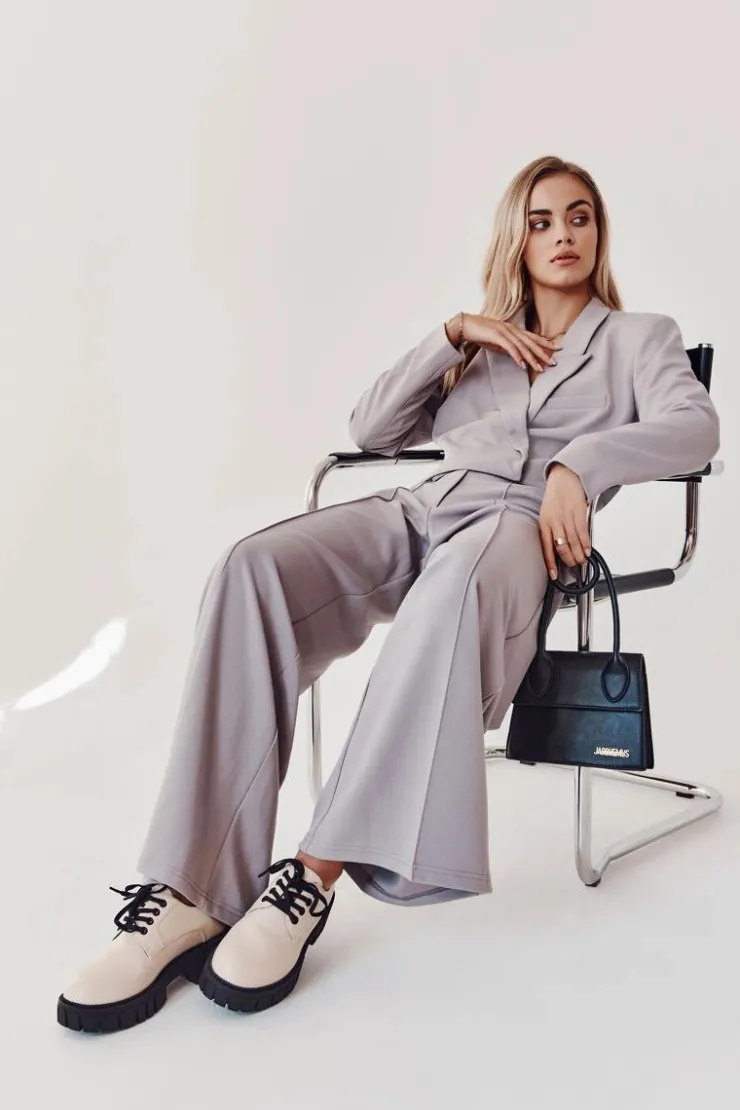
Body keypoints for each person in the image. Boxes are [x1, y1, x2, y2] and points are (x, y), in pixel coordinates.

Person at [57, 154, 720, 1034]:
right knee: (251, 568)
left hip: (518, 534)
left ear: (599, 233)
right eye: (540, 221)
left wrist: (579, 464)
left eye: (579, 217)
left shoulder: (639, 338)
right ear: (516, 240)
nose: (562, 234)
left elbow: (695, 427)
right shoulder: (481, 343)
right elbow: (370, 429)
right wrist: (454, 335)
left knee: (454, 586)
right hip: (424, 509)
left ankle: (310, 878)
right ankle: (190, 889)